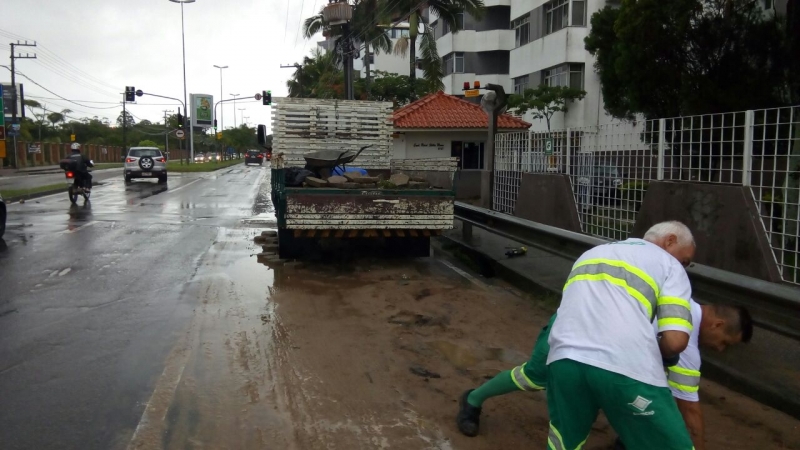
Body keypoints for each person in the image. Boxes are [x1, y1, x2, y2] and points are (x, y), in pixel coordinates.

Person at [457, 221, 697, 450]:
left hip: (568, 342)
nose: (683, 266)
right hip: (587, 343)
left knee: (563, 413)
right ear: (669, 241)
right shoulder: (669, 266)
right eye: (684, 260)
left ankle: (474, 399)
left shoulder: (595, 251)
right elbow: (675, 342)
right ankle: (473, 399)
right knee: (534, 376)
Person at [457, 303, 753, 450]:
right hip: (575, 324)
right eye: (725, 343)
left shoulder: (679, 301)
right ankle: (472, 399)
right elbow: (689, 410)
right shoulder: (682, 336)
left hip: (596, 335)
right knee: (533, 377)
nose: (720, 350)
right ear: (717, 324)